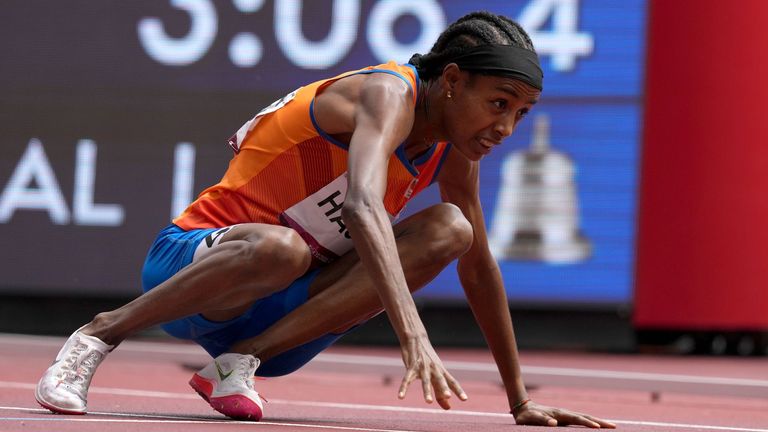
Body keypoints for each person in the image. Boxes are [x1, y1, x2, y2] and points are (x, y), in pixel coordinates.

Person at [35, 11, 615, 428]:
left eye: (521, 112)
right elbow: (363, 205)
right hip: (191, 271)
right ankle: (98, 334)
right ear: (454, 80)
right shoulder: (387, 94)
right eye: (498, 103)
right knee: (281, 248)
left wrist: (518, 400)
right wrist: (413, 333)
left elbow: (479, 266)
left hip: (279, 316)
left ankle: (238, 363)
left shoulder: (454, 149)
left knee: (453, 230)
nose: (505, 128)